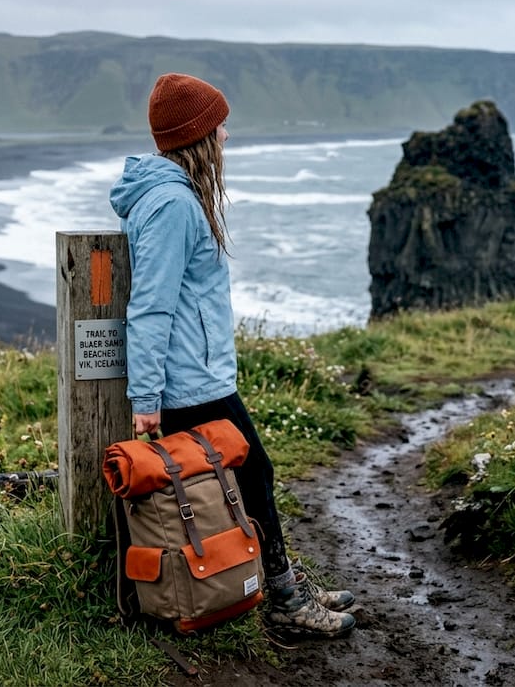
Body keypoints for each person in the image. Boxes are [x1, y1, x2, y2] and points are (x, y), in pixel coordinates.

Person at [109, 72, 356, 639]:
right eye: (218, 127)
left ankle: (282, 582)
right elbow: (150, 306)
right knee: (255, 477)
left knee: (251, 479)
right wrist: (146, 398)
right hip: (190, 384)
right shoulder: (172, 204)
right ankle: (286, 604)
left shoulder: (172, 196)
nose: (226, 137)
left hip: (198, 375)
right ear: (197, 137)